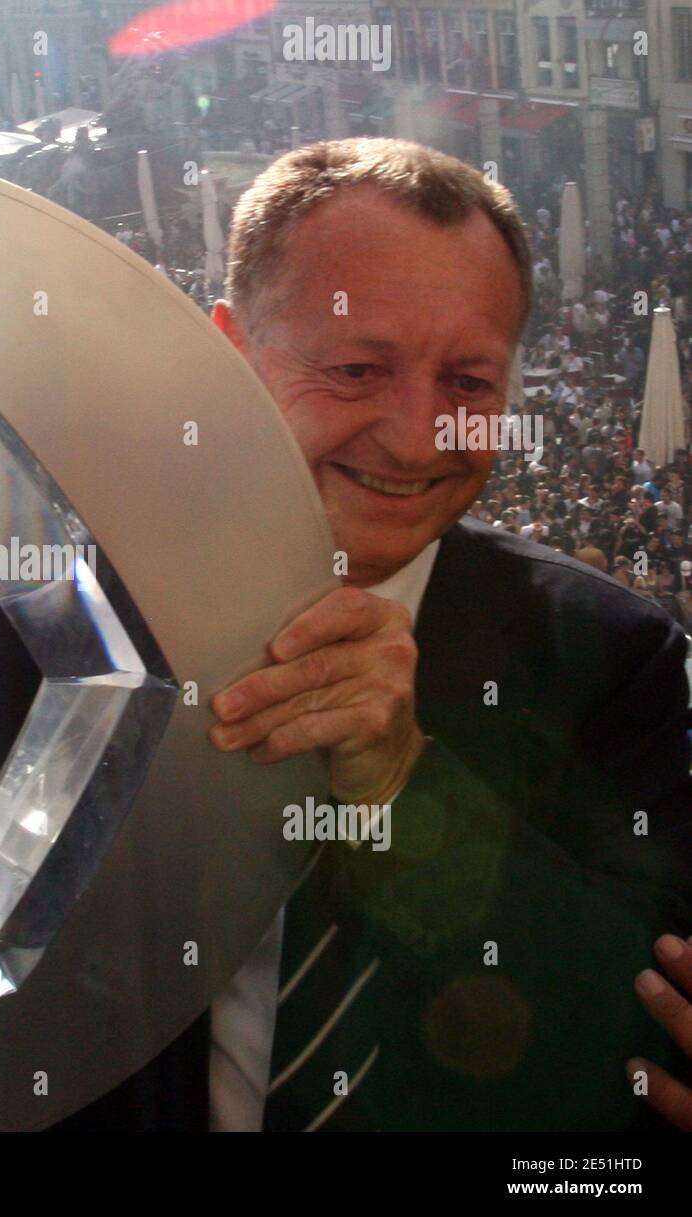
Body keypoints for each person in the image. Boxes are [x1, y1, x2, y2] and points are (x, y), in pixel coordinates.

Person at [61, 137, 692, 1131]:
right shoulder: (57, 616)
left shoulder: (613, 660)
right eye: (357, 368)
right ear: (227, 355)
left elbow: (631, 1045)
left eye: (469, 384)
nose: (415, 433)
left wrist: (407, 789)